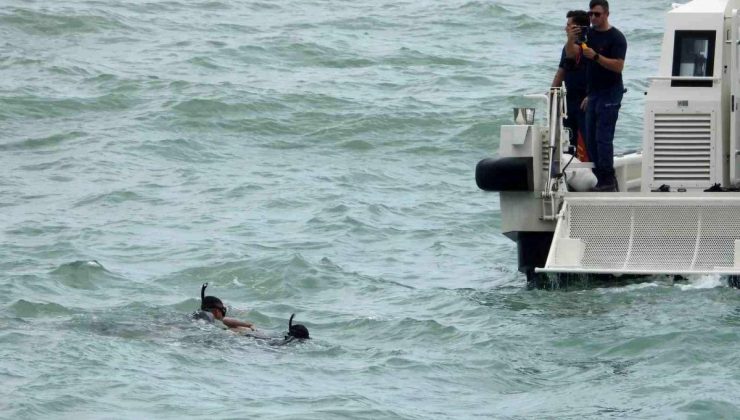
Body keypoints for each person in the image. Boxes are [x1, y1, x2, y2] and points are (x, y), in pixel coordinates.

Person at [565, 0, 627, 192]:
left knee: (603, 137)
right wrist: (570, 38)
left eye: (597, 14)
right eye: (590, 14)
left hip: (611, 91)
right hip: (593, 93)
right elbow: (571, 54)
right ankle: (602, 178)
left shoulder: (616, 38)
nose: (592, 18)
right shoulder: (588, 35)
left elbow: (618, 66)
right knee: (590, 137)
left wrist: (596, 57)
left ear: (606, 14)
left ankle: (608, 178)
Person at [551, 10, 590, 161]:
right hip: (569, 100)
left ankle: (597, 176)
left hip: (585, 100)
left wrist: (591, 95)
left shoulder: (591, 45)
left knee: (588, 140)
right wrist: (552, 92)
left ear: (578, 28)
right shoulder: (568, 46)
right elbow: (562, 70)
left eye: (569, 26)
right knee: (568, 140)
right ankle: (570, 174)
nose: (566, 29)